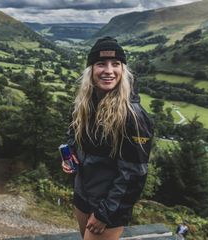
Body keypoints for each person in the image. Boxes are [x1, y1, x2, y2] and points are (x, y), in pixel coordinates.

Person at [62, 36, 153, 240]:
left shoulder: (133, 116)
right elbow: (72, 134)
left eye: (116, 64)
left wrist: (106, 213)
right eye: (101, 64)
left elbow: (134, 173)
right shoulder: (83, 105)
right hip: (83, 196)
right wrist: (70, 154)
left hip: (110, 206)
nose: (109, 71)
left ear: (123, 69)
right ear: (91, 70)